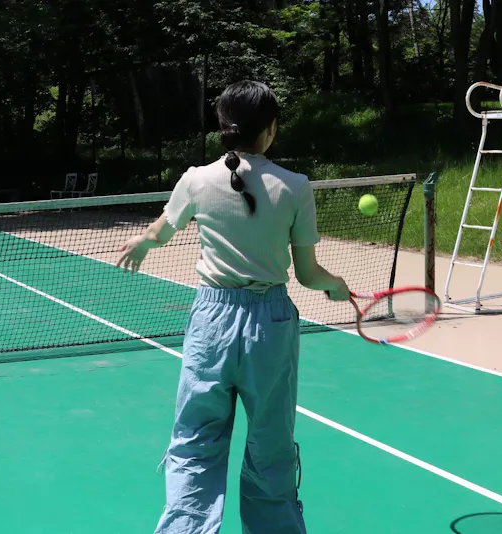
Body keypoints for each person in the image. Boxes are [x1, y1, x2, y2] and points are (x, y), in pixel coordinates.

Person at [115, 80, 350, 534]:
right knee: (271, 446)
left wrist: (141, 243)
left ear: (222, 128)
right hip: (271, 325)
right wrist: (335, 286)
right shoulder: (296, 186)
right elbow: (308, 275)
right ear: (271, 129)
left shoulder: (196, 179)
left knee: (195, 443)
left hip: (212, 325)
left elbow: (160, 232)